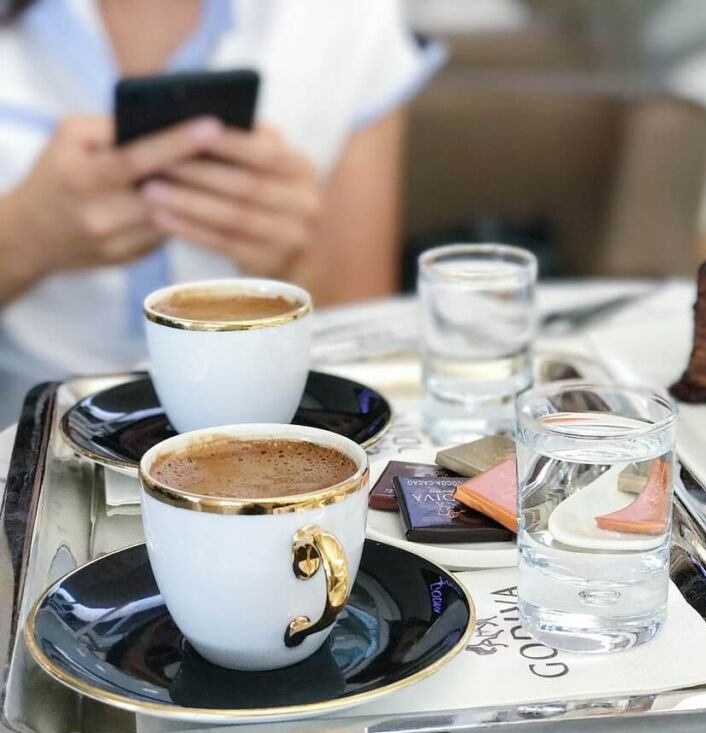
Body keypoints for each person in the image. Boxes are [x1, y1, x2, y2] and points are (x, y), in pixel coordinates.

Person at [0, 0, 442, 421]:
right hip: (26, 422)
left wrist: (296, 265)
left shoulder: (347, 17)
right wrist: (22, 237)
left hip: (265, 414)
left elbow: (365, 344)